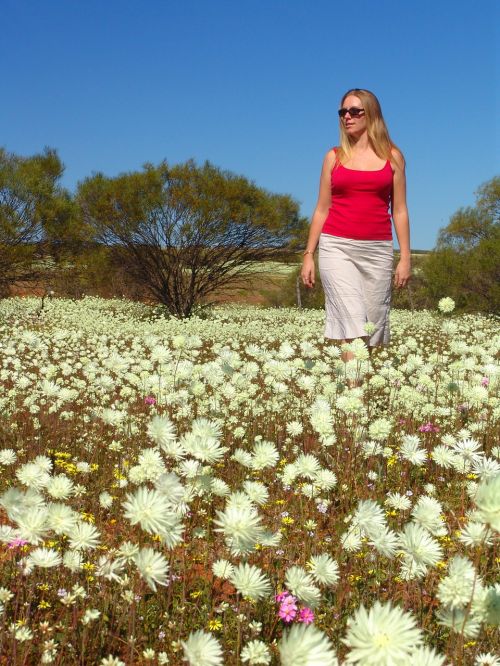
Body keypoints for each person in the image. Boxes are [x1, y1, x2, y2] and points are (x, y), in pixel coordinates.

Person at [300, 88, 411, 356]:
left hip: (378, 250)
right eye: (342, 112)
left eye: (354, 111)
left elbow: (400, 210)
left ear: (371, 114)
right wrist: (308, 254)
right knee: (353, 325)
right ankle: (354, 394)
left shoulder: (393, 157)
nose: (346, 117)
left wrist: (405, 257)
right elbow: (321, 209)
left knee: (371, 329)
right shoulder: (333, 157)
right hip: (336, 247)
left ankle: (357, 384)